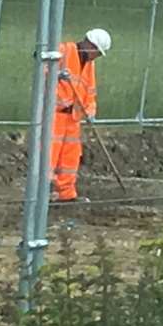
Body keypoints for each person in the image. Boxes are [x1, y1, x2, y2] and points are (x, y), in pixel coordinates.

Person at [51, 28, 110, 203]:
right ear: (89, 44)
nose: (96, 57)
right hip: (55, 114)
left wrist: (90, 112)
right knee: (49, 155)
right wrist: (57, 76)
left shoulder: (89, 66)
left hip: (73, 118)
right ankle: (42, 192)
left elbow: (90, 92)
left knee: (70, 158)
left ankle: (66, 194)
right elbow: (43, 68)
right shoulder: (64, 50)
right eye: (97, 52)